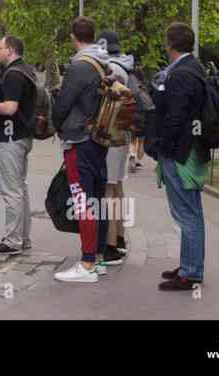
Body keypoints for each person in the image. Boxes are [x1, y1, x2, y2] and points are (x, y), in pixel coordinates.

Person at [51, 17, 111, 284]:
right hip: (99, 138)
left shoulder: (79, 66)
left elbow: (64, 104)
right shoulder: (103, 63)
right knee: (97, 198)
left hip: (79, 140)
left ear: (74, 38)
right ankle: (98, 258)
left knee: (82, 200)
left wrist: (55, 122)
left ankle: (86, 264)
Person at [153, 23, 211, 292]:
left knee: (186, 214)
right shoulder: (195, 68)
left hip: (180, 153)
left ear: (169, 44)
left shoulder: (180, 74)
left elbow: (175, 116)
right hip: (192, 149)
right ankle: (190, 265)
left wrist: (162, 148)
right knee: (193, 212)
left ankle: (190, 273)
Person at [0, 36, 37, 256]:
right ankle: (22, 238)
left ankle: (13, 240)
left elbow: (11, 107)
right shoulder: (26, 70)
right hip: (22, 135)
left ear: (11, 50)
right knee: (20, 188)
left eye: (0, 49)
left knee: (11, 190)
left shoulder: (13, 74)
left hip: (10, 137)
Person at [99, 31, 134, 264]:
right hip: (123, 133)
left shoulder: (110, 69)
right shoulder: (125, 65)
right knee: (118, 186)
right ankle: (120, 237)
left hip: (110, 134)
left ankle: (110, 247)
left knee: (108, 189)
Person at [128, 65, 148, 175]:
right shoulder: (144, 87)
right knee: (141, 140)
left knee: (132, 138)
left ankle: (132, 154)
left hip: (131, 113)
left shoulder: (130, 85)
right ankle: (138, 161)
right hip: (143, 115)